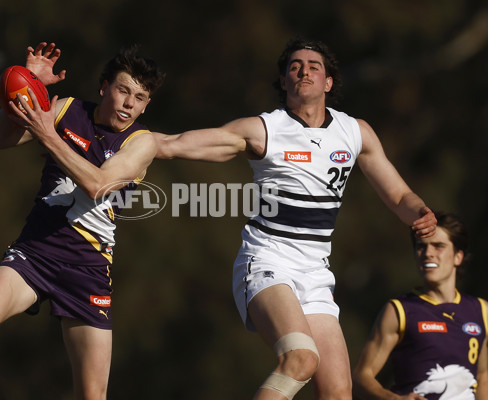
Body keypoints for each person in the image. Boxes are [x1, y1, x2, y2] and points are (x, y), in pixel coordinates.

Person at [154, 38, 437, 399]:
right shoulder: (265, 129)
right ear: (284, 82)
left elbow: (399, 195)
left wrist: (421, 214)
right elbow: (179, 142)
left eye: (314, 66)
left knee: (338, 392)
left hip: (315, 275)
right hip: (267, 263)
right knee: (301, 359)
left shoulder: (355, 132)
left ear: (329, 82)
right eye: (294, 66)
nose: (304, 70)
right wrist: (139, 143)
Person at [0, 42, 165, 400]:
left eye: (140, 97)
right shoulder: (66, 109)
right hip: (35, 253)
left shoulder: (141, 142)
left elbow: (99, 184)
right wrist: (30, 92)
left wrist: (46, 132)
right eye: (123, 90)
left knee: (91, 394)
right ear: (104, 87)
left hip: (87, 269)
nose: (129, 103)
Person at [353, 211, 488, 400]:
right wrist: (395, 399)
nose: (428, 253)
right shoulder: (400, 310)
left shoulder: (481, 311)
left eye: (438, 246)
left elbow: (483, 377)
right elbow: (361, 377)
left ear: (458, 256)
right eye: (421, 247)